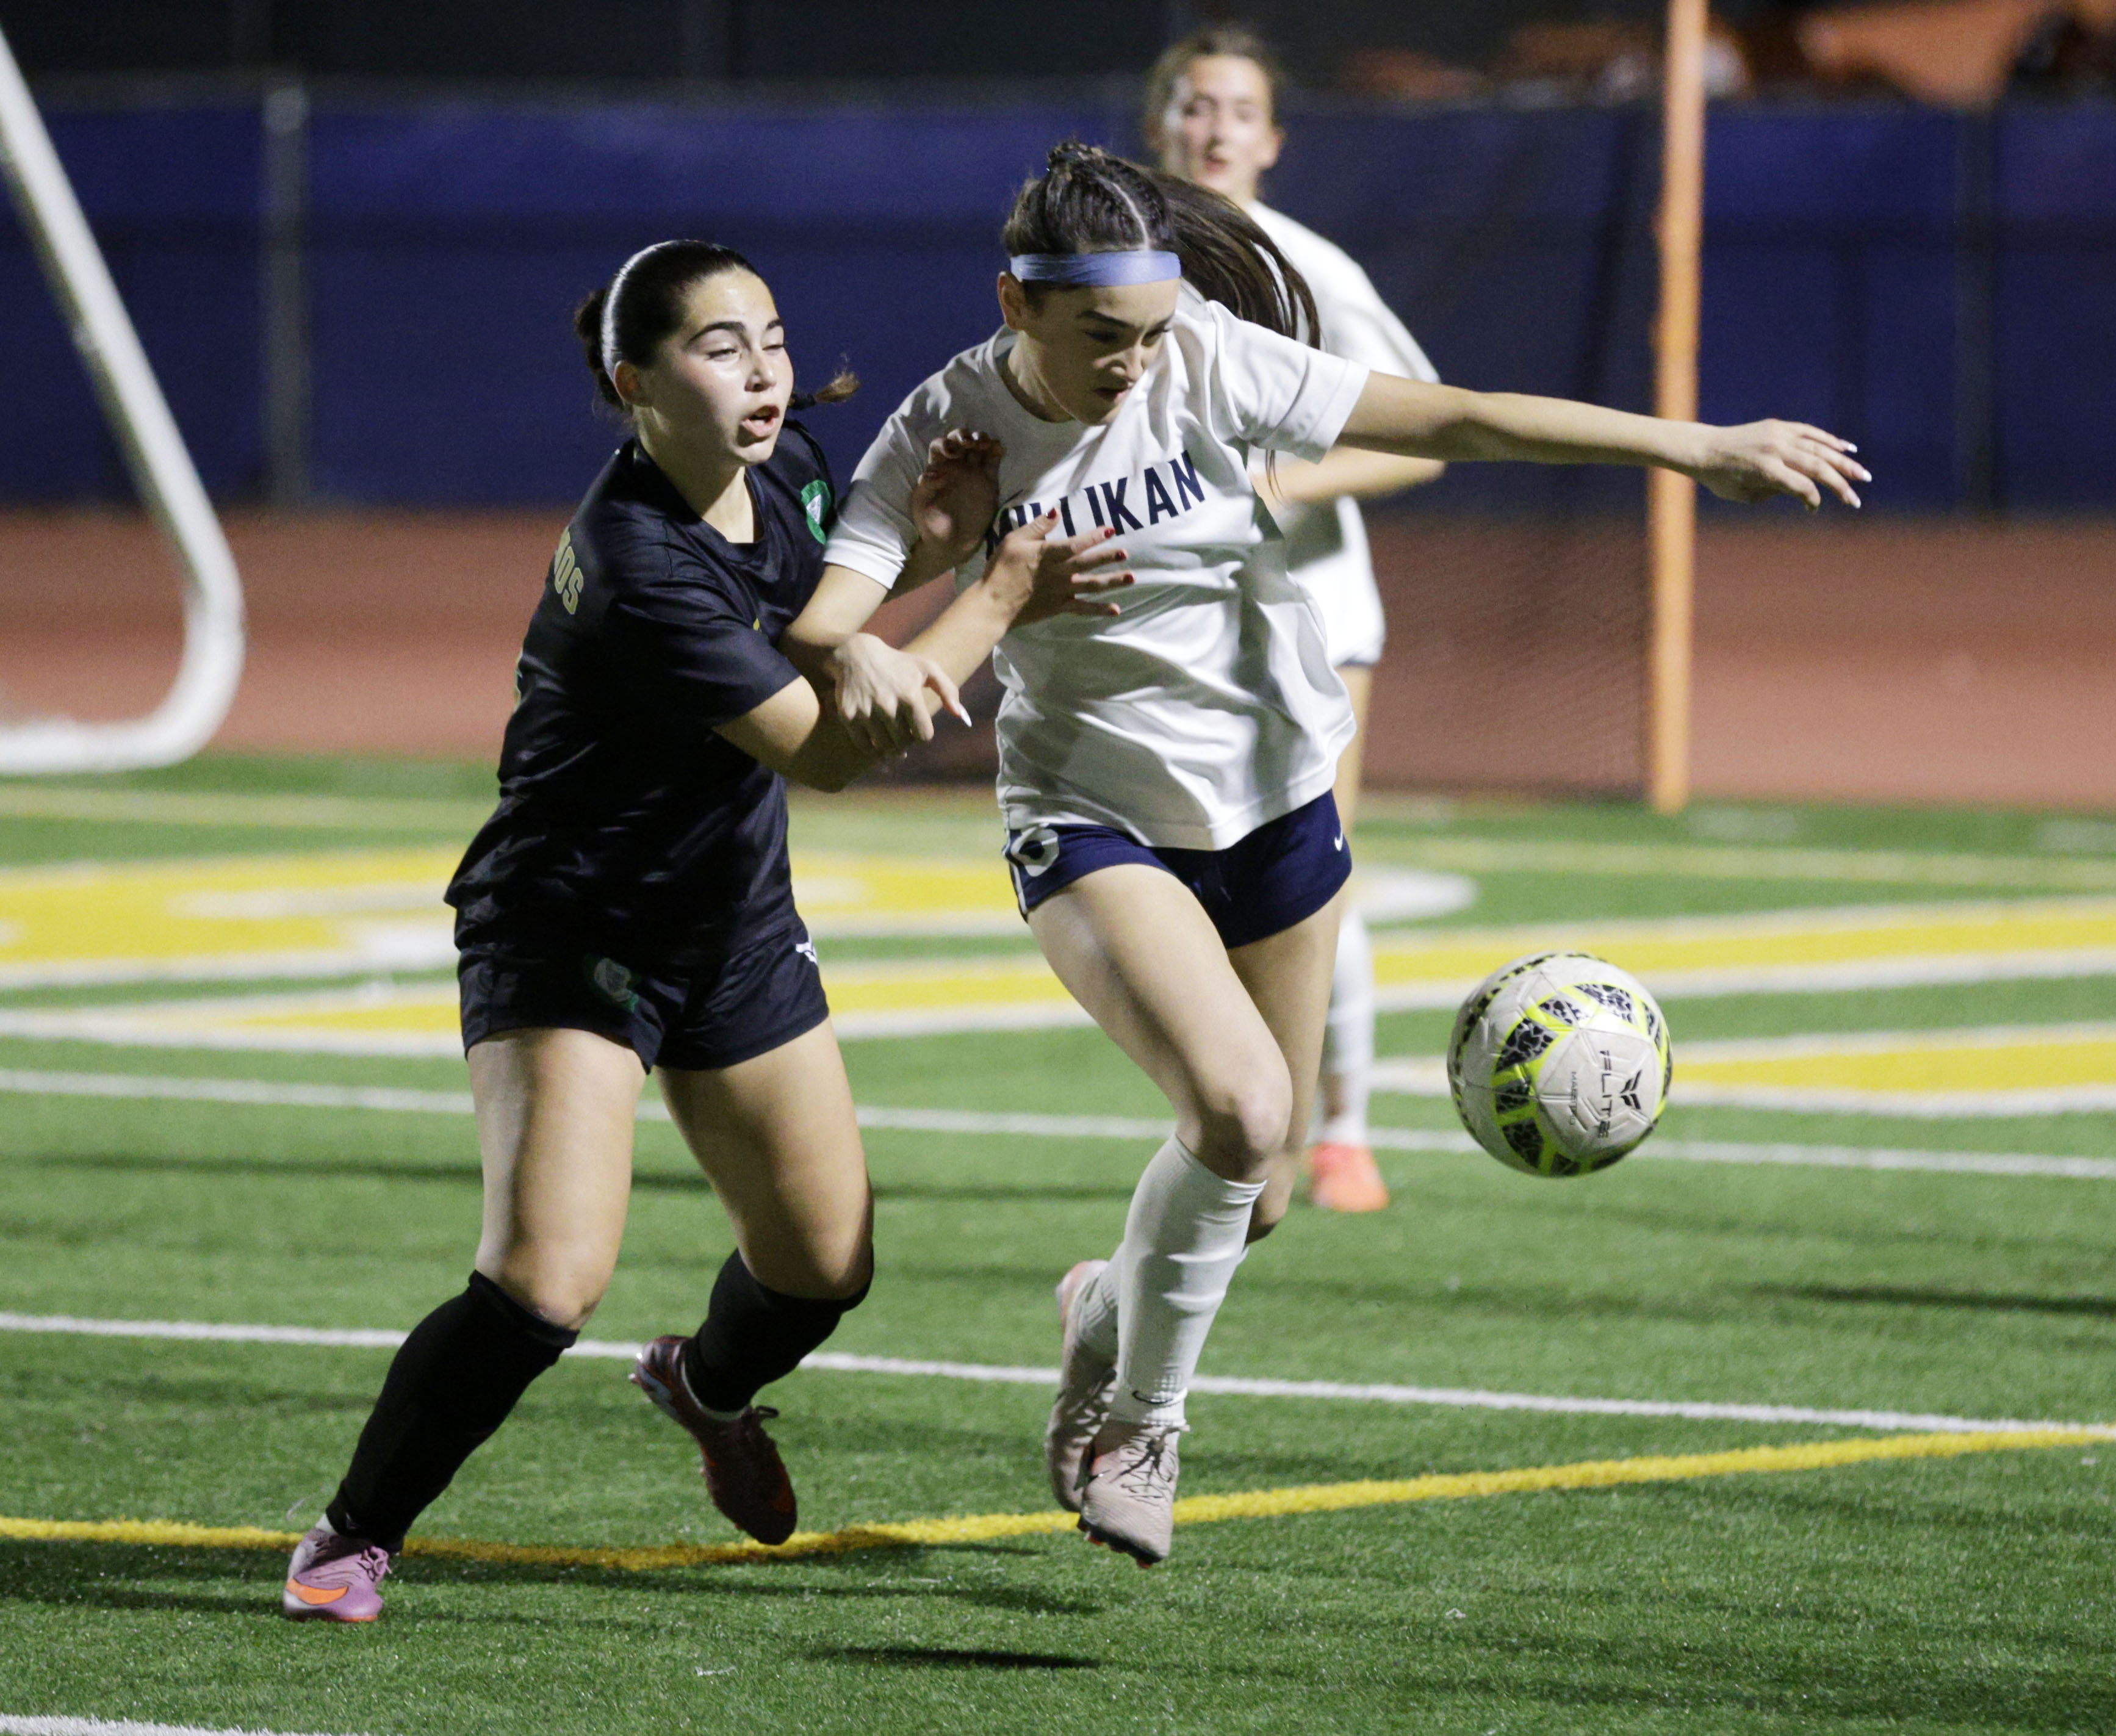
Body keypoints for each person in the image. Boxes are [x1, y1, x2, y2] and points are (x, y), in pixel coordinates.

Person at [791, 143, 1866, 1566]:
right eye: (1102, 337)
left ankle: (1100, 1309)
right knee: (1238, 1111)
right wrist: (954, 569)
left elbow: (1463, 419)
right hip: (1096, 815)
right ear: (1018, 304)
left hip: (1282, 799)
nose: (1135, 365)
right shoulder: (948, 422)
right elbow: (823, 628)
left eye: (1155, 329)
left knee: (1268, 1187)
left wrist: (1695, 443)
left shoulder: (1212, 363)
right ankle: (1144, 1428)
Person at [279, 239, 1127, 1623]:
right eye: (721, 347)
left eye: (774, 337)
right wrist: (996, 587)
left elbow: (807, 629)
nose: (765, 370)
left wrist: (926, 544)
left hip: (728, 922)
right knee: (548, 1278)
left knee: (822, 1268)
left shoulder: (783, 473)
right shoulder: (631, 560)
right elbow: (830, 753)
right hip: (571, 930)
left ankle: (708, 1383)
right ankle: (351, 1535)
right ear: (634, 381)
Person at [1146, 24, 1446, 1212]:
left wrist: (1284, 481)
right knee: (1190, 885)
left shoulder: (1305, 268)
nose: (1212, 128)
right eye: (1192, 105)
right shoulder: (1117, 264)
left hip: (1313, 611)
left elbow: (1418, 439)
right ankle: (1232, 1117)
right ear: (1160, 122)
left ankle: (1343, 1129)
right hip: (1179, 625)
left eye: (1236, 110)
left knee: (1313, 873)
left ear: (1272, 140)